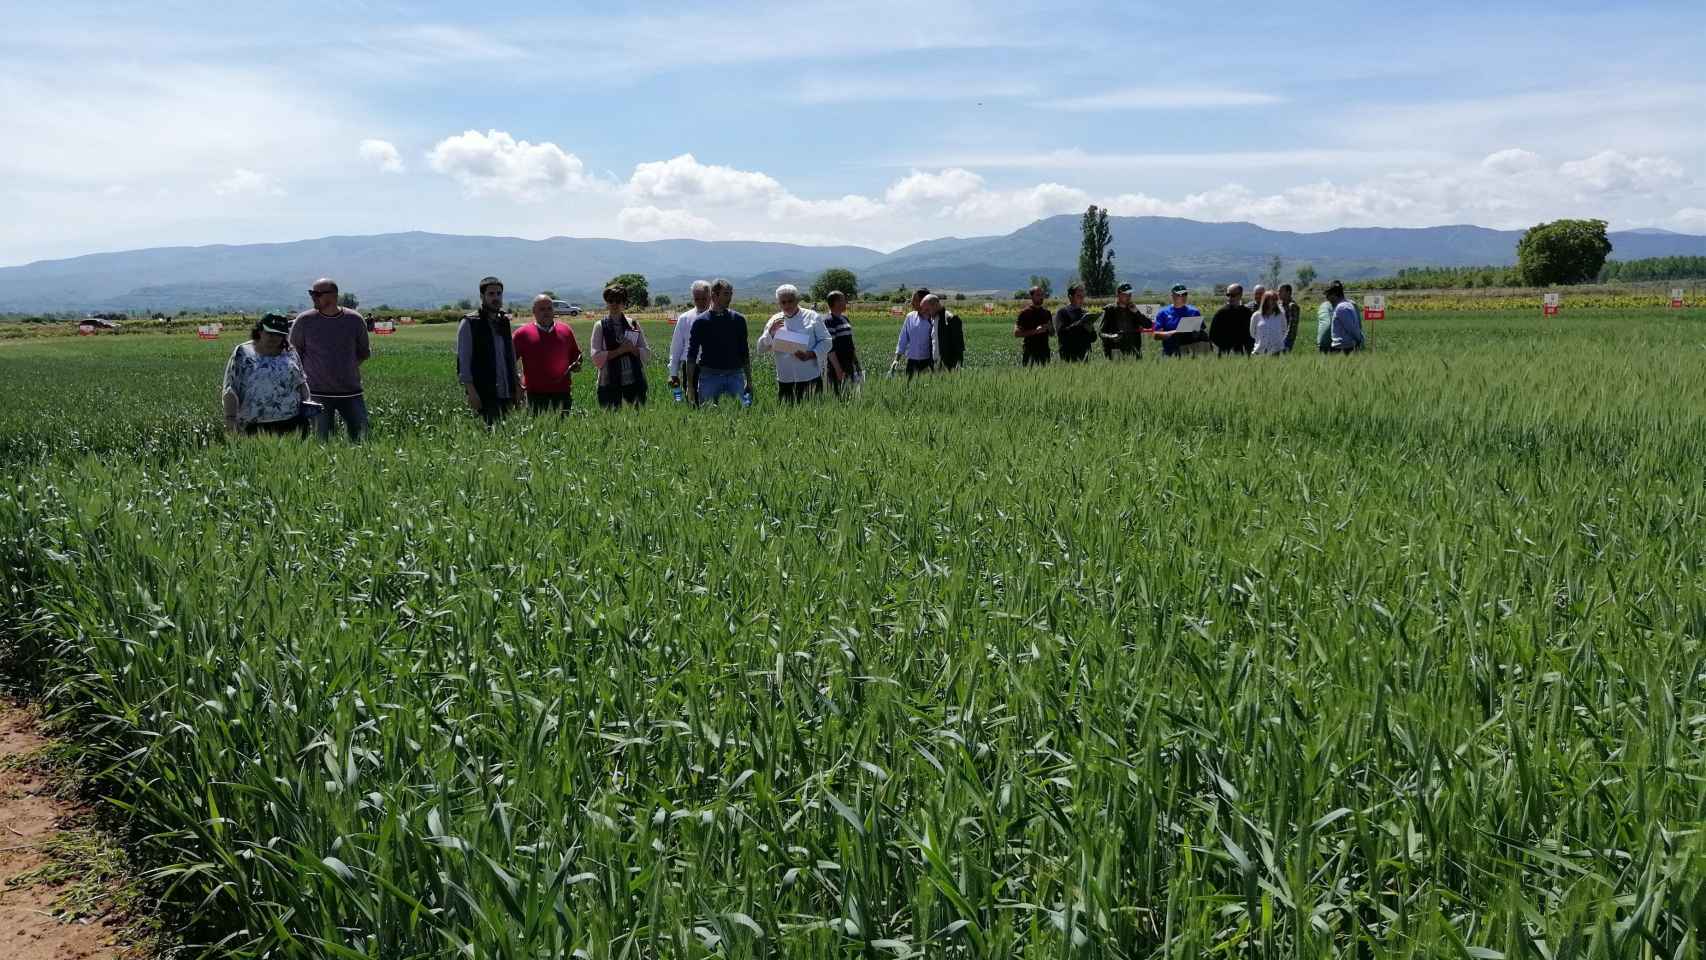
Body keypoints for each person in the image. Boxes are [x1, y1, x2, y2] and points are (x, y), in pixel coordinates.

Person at [289, 277, 371, 441]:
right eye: (311, 293)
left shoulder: (354, 320)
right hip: (316, 394)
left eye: (317, 294)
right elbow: (293, 354)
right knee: (321, 442)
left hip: (351, 392)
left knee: (362, 439)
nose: (313, 297)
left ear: (333, 296)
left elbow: (364, 352)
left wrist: (347, 368)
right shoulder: (304, 321)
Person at [222, 314, 312, 437]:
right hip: (255, 425)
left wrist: (308, 404)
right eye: (269, 332)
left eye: (279, 334)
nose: (274, 337)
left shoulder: (290, 352)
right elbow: (230, 389)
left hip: (292, 422)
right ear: (259, 331)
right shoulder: (243, 353)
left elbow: (301, 383)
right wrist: (230, 419)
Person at [457, 276, 521, 425]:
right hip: (484, 394)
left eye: (499, 294)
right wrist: (471, 393)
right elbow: (463, 363)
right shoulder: (469, 323)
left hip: (507, 392)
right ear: (482, 296)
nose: (496, 298)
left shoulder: (504, 321)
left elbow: (511, 357)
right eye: (491, 294)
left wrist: (517, 384)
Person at [757, 284, 832, 402]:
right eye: (783, 302)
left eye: (790, 301)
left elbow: (826, 341)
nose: (787, 305)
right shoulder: (774, 320)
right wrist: (770, 333)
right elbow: (760, 348)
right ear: (779, 303)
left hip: (809, 376)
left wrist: (811, 354)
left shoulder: (812, 316)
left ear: (797, 300)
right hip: (785, 379)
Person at [684, 278, 752, 406]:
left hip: (735, 376)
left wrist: (749, 380)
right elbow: (691, 355)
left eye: (731, 294)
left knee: (739, 414)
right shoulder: (701, 322)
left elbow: (744, 352)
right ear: (714, 296)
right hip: (709, 376)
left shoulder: (739, 320)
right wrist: (690, 385)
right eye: (726, 294)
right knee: (708, 414)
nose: (730, 297)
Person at [513, 293, 582, 415]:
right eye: (542, 309)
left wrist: (577, 364)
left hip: (563, 393)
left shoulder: (566, 330)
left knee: (564, 430)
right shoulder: (522, 334)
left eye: (549, 308)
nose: (546, 312)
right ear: (534, 311)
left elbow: (575, 356)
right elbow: (509, 361)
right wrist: (517, 383)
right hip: (535, 394)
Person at [591, 284, 651, 409]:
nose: (614, 304)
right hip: (608, 381)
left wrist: (632, 349)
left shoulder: (633, 324)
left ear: (624, 303)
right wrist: (620, 350)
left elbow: (646, 352)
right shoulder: (600, 326)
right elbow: (596, 357)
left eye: (618, 301)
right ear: (606, 303)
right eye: (610, 301)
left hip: (634, 380)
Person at [668, 280, 712, 398]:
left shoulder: (720, 317)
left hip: (714, 367)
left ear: (710, 297)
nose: (701, 302)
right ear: (693, 298)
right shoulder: (685, 318)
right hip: (691, 367)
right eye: (697, 299)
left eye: (704, 299)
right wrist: (673, 373)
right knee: (693, 403)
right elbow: (676, 347)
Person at [820, 290, 862, 395]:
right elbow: (830, 347)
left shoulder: (845, 319)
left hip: (849, 363)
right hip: (838, 364)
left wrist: (856, 362)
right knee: (839, 394)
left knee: (851, 393)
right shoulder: (829, 321)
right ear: (836, 303)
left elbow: (849, 342)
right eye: (843, 300)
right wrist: (838, 369)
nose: (846, 302)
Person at [893, 288, 937, 378]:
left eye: (915, 300)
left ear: (923, 301)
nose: (912, 302)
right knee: (911, 390)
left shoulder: (934, 319)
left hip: (928, 362)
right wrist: (896, 360)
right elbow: (903, 339)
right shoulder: (910, 317)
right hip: (911, 362)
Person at [1098, 283, 1148, 360]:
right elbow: (1101, 333)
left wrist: (1137, 313)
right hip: (1116, 352)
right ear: (1118, 294)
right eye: (1126, 294)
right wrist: (1111, 337)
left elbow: (1148, 325)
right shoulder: (1110, 310)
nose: (1129, 296)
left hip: (1133, 352)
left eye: (1130, 294)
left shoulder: (1134, 310)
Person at [1209, 283, 1254, 356]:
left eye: (1233, 295)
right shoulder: (1221, 313)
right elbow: (1212, 335)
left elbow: (1252, 333)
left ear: (1240, 296)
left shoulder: (1247, 313)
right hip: (1225, 352)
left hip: (1244, 352)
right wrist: (1224, 346)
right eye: (1228, 295)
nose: (1229, 298)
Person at [1323, 280, 1366, 354]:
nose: (1327, 298)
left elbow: (1352, 328)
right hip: (1344, 347)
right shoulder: (1347, 304)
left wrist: (1359, 340)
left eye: (1328, 295)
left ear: (1335, 294)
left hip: (1343, 348)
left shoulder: (1342, 308)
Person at [1054, 284, 1094, 362]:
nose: (1082, 298)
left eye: (1083, 296)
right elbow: (1061, 333)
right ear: (1070, 297)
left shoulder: (1086, 313)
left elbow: (1093, 338)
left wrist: (1090, 330)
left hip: (1084, 355)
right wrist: (1079, 324)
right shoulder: (1062, 312)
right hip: (1068, 355)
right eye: (1079, 296)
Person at [1014, 286, 1053, 366]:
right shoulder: (1024, 313)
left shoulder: (1047, 313)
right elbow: (1016, 333)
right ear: (1031, 297)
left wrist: (1049, 328)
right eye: (1038, 295)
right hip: (1029, 351)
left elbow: (1052, 333)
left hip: (1044, 352)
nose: (1041, 297)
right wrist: (1036, 331)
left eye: (1042, 294)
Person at [1250, 291, 1288, 355]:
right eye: (1272, 300)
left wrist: (1276, 339)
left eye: (1276, 300)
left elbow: (1284, 330)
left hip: (1277, 351)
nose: (1275, 302)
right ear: (1265, 301)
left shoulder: (1281, 315)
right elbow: (1252, 333)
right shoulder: (1256, 315)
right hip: (1259, 351)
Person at [936, 296, 965, 370]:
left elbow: (958, 345)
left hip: (949, 363)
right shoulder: (932, 318)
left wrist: (958, 362)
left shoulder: (950, 318)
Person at [1278, 284, 1301, 352]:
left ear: (1288, 293)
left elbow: (1292, 326)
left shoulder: (1292, 306)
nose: (1278, 293)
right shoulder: (1279, 305)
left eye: (1280, 291)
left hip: (1286, 339)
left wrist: (1285, 341)